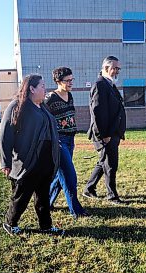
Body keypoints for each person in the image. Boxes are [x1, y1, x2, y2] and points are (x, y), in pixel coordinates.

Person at [0, 74, 64, 236]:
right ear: (32, 89)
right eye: (42, 86)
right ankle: (10, 223)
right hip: (27, 162)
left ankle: (46, 226)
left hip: (46, 162)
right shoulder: (17, 106)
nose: (45, 89)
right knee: (21, 197)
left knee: (43, 197)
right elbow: (5, 134)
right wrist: (5, 162)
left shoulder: (42, 107)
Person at [45, 67, 90, 218]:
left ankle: (45, 203)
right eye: (67, 80)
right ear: (58, 81)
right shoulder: (50, 98)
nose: (71, 83)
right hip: (59, 141)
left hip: (70, 139)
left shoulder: (69, 95)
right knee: (70, 175)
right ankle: (76, 210)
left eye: (72, 79)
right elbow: (43, 118)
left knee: (60, 176)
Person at [83, 56, 126, 204]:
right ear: (106, 68)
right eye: (115, 68)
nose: (117, 71)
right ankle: (112, 195)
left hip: (112, 133)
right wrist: (104, 135)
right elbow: (97, 112)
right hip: (106, 134)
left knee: (103, 162)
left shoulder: (110, 84)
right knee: (110, 165)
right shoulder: (100, 84)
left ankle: (89, 188)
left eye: (118, 68)